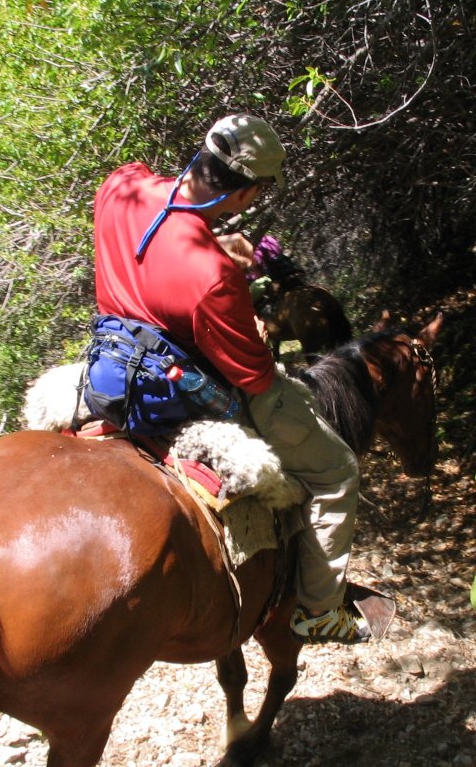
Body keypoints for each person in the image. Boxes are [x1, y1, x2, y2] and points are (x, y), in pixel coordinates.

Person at [92, 114, 369, 644]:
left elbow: (161, 209)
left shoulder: (119, 187)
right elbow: (251, 373)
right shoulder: (212, 276)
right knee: (336, 471)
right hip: (175, 380)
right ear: (248, 194)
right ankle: (319, 610)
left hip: (109, 362)